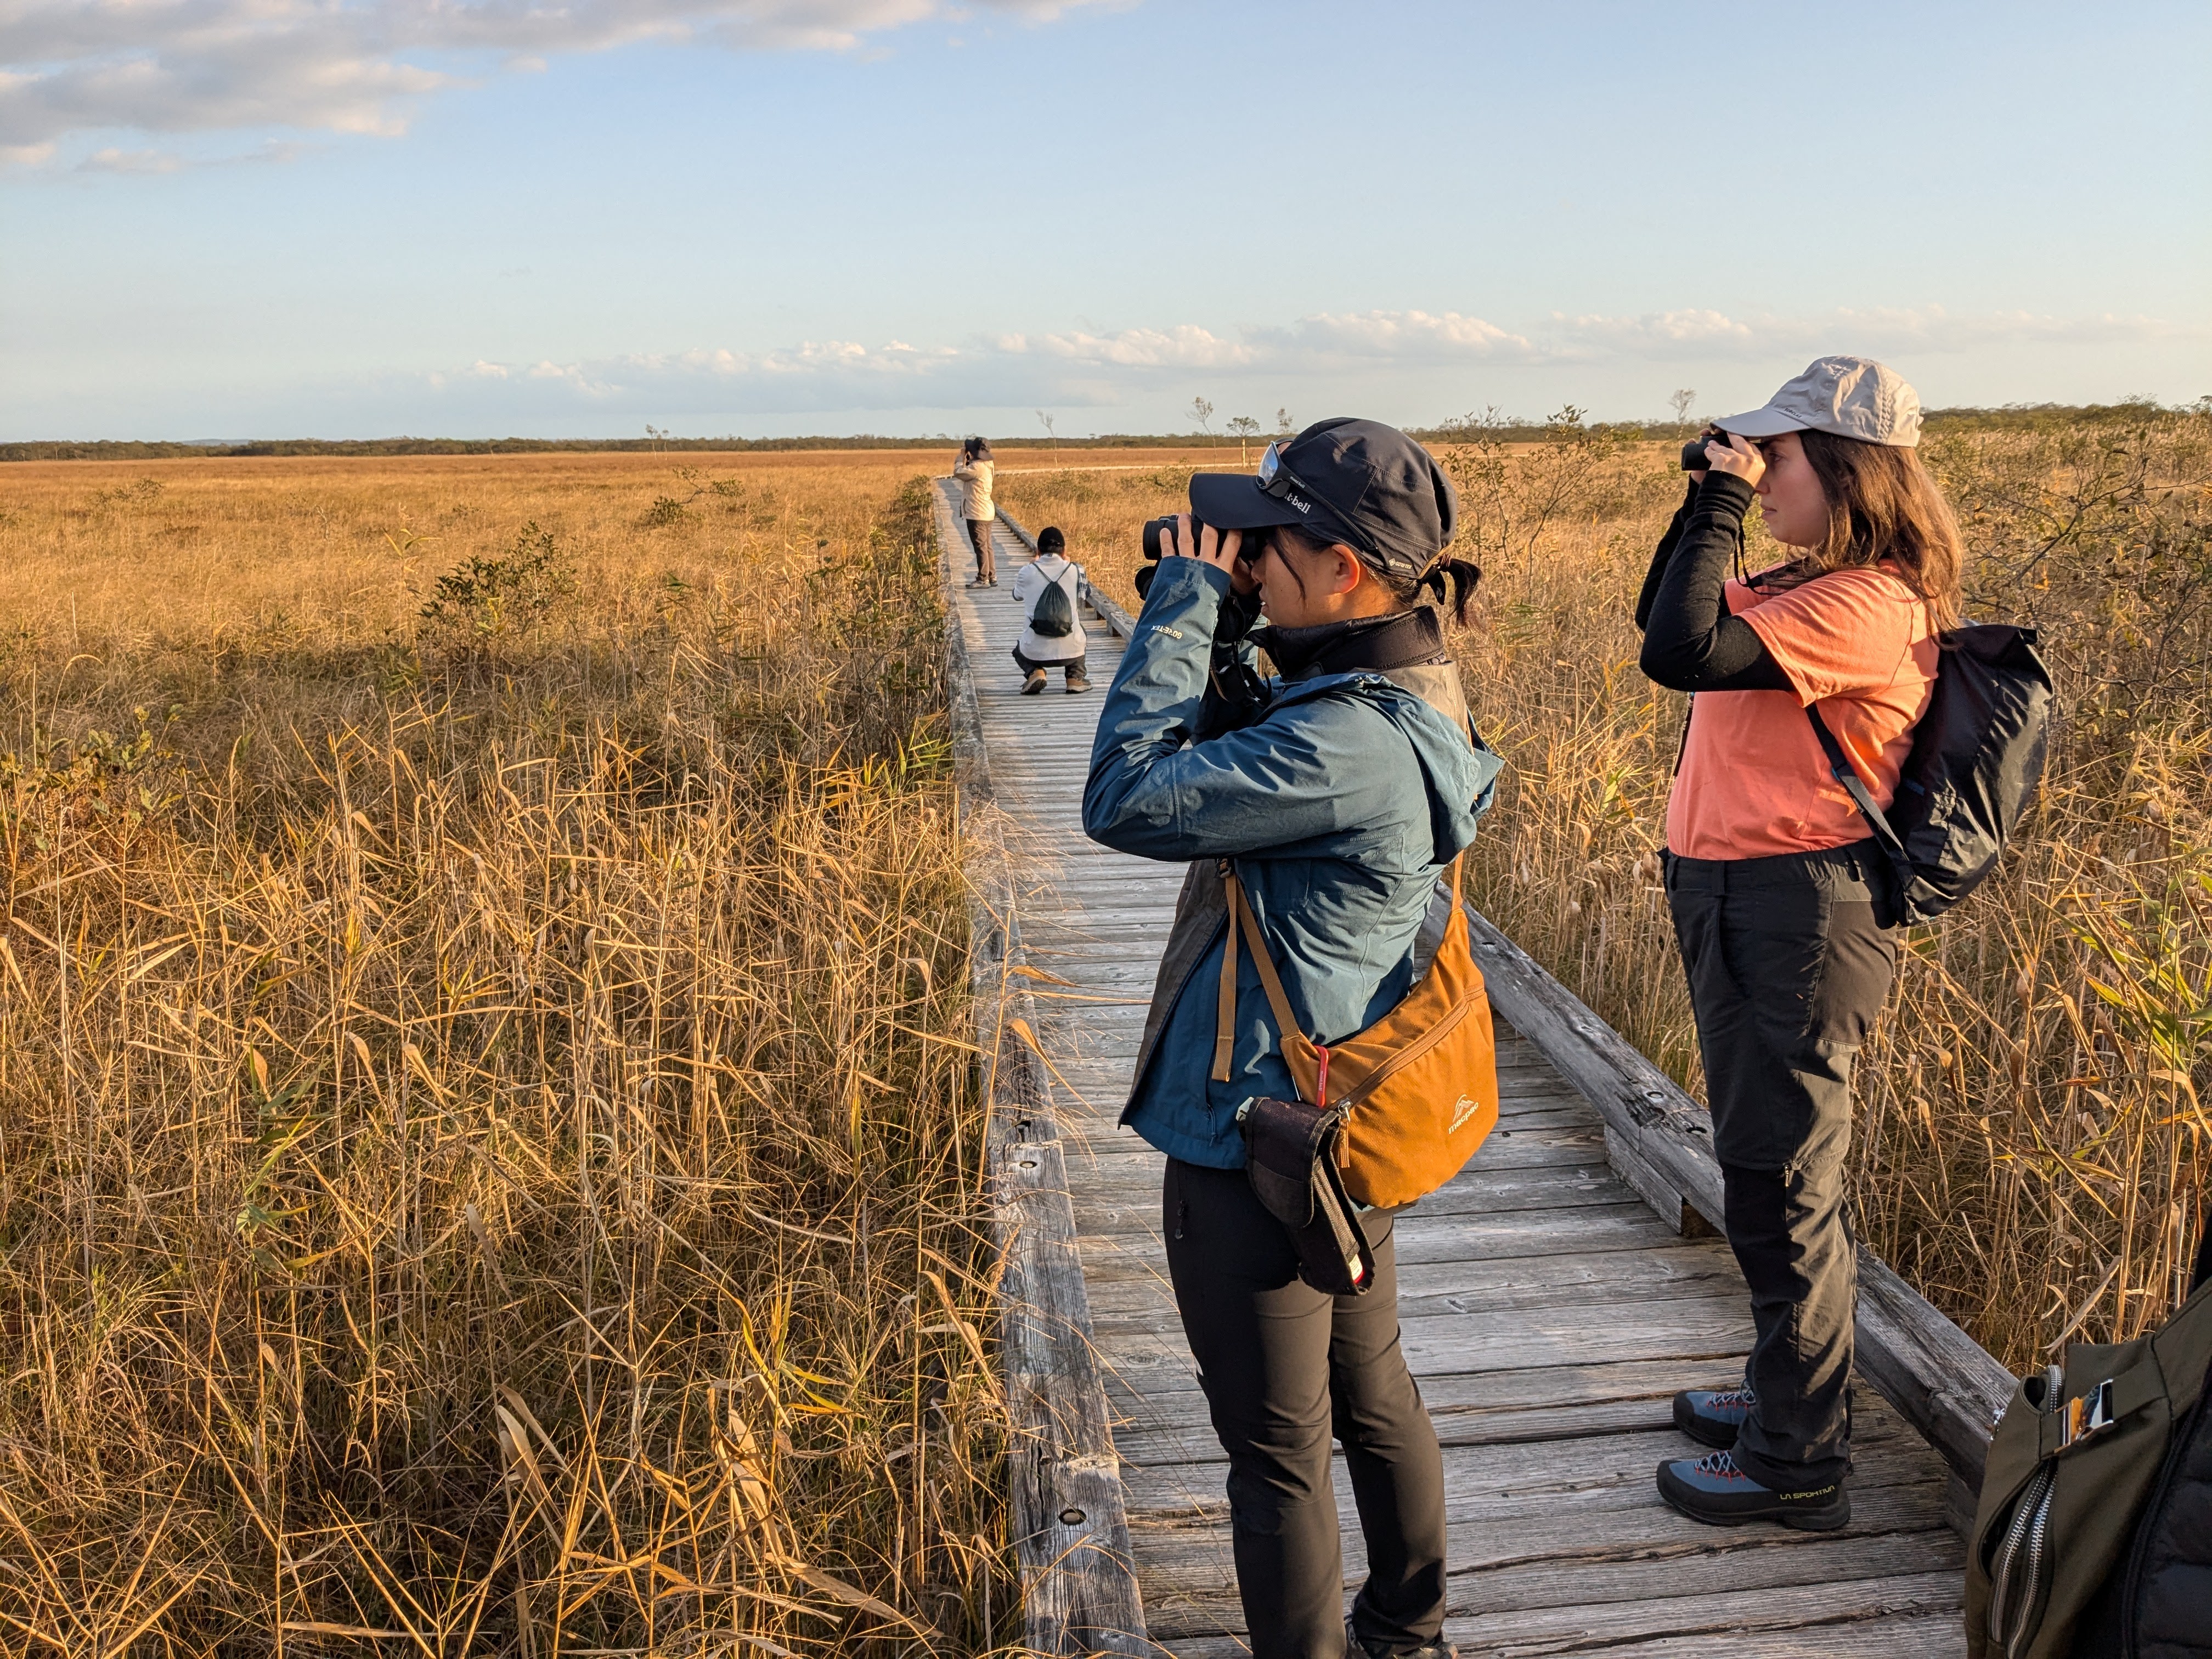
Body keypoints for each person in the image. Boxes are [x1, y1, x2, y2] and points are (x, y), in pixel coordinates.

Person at [1084, 419, 1493, 1659]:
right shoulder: (1396, 697)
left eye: (1268, 545)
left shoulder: (1344, 742)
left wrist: (1184, 603)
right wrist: (1218, 616)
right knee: (1374, 1399)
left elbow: (1128, 795)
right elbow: (1243, 727)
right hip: (1334, 1133)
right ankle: (1406, 1630)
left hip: (1249, 1142)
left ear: (1349, 571)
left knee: (1276, 1460)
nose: (1248, 559)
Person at [1633, 357, 1962, 1530]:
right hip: (1747, 898)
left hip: (1799, 912)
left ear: (1851, 466)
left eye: (1781, 456)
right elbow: (1661, 616)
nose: (1763, 474)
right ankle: (1784, 1393)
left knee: (1786, 1180)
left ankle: (1797, 1456)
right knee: (1761, 1166)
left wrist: (1719, 503)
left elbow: (1680, 654)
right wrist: (1702, 504)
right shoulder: (1810, 582)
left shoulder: (1869, 601)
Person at [1010, 525, 1091, 693]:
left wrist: (1031, 567)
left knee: (1018, 649)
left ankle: (1035, 672)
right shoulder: (1077, 570)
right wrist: (1069, 566)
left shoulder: (1027, 572)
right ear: (1064, 550)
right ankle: (1075, 678)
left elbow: (1016, 596)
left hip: (1034, 651)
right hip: (1072, 650)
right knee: (1079, 628)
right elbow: (1085, 595)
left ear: (1038, 550)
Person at [953, 436, 997, 586]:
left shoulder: (977, 467)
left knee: (980, 547)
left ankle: (982, 578)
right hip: (987, 511)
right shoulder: (988, 464)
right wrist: (970, 458)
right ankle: (992, 576)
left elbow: (959, 472)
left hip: (976, 511)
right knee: (987, 545)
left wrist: (961, 457)